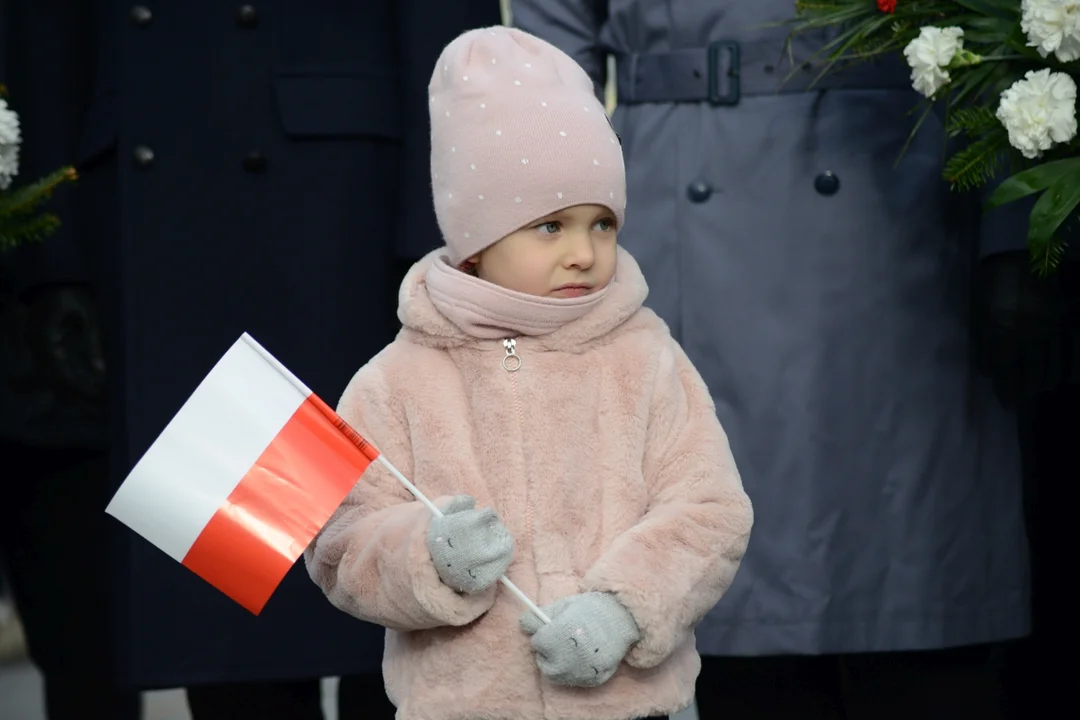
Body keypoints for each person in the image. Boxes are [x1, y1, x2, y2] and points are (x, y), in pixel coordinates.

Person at [510, 1, 1030, 718]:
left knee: (918, 609)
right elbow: (548, 69)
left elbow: (1003, 25)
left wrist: (1014, 228)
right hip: (675, 204)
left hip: (898, 212)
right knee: (725, 597)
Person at [4, 1, 502, 719]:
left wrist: (443, 229)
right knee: (240, 618)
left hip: (341, 214)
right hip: (175, 202)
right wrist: (53, 265)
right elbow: (40, 35)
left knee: (401, 596)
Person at [304, 26, 754, 720]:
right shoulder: (395, 381)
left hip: (627, 709)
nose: (583, 252)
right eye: (551, 226)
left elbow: (710, 511)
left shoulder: (645, 359)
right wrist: (427, 559)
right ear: (476, 240)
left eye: (601, 223)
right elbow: (339, 544)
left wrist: (622, 610)